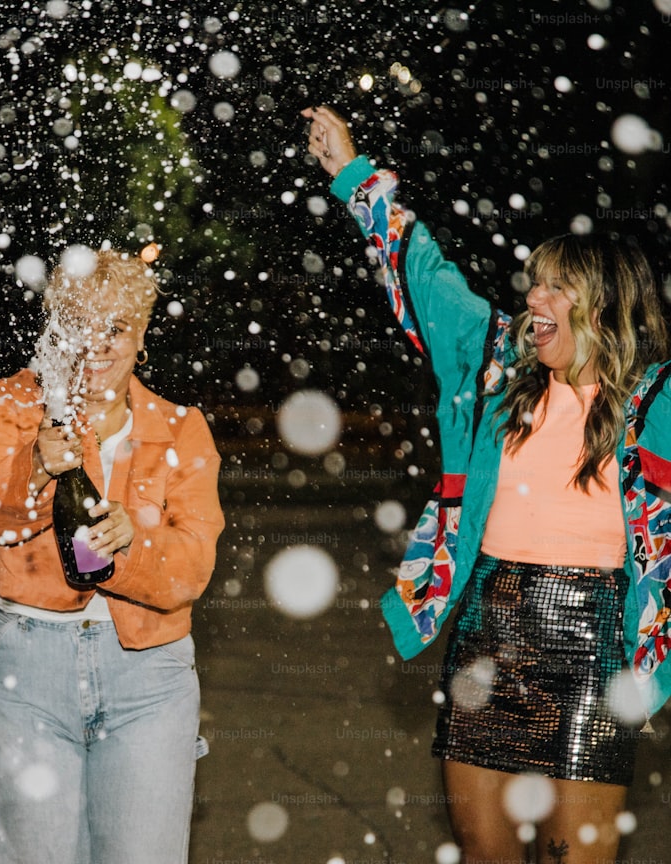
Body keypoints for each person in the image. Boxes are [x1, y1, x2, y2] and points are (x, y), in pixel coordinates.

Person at [305, 105, 671, 863]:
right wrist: (352, 172)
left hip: (597, 636)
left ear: (602, 305)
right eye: (533, 285)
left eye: (554, 289)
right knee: (486, 857)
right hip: (489, 627)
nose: (533, 299)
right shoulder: (494, 362)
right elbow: (422, 270)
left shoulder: (656, 399)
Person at [0, 247, 225, 864]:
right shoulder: (13, 405)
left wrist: (136, 543)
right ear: (57, 327)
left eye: (117, 328)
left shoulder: (182, 428)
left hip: (151, 681)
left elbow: (192, 568)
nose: (99, 344)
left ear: (142, 336)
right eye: (82, 324)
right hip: (25, 669)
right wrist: (33, 467)